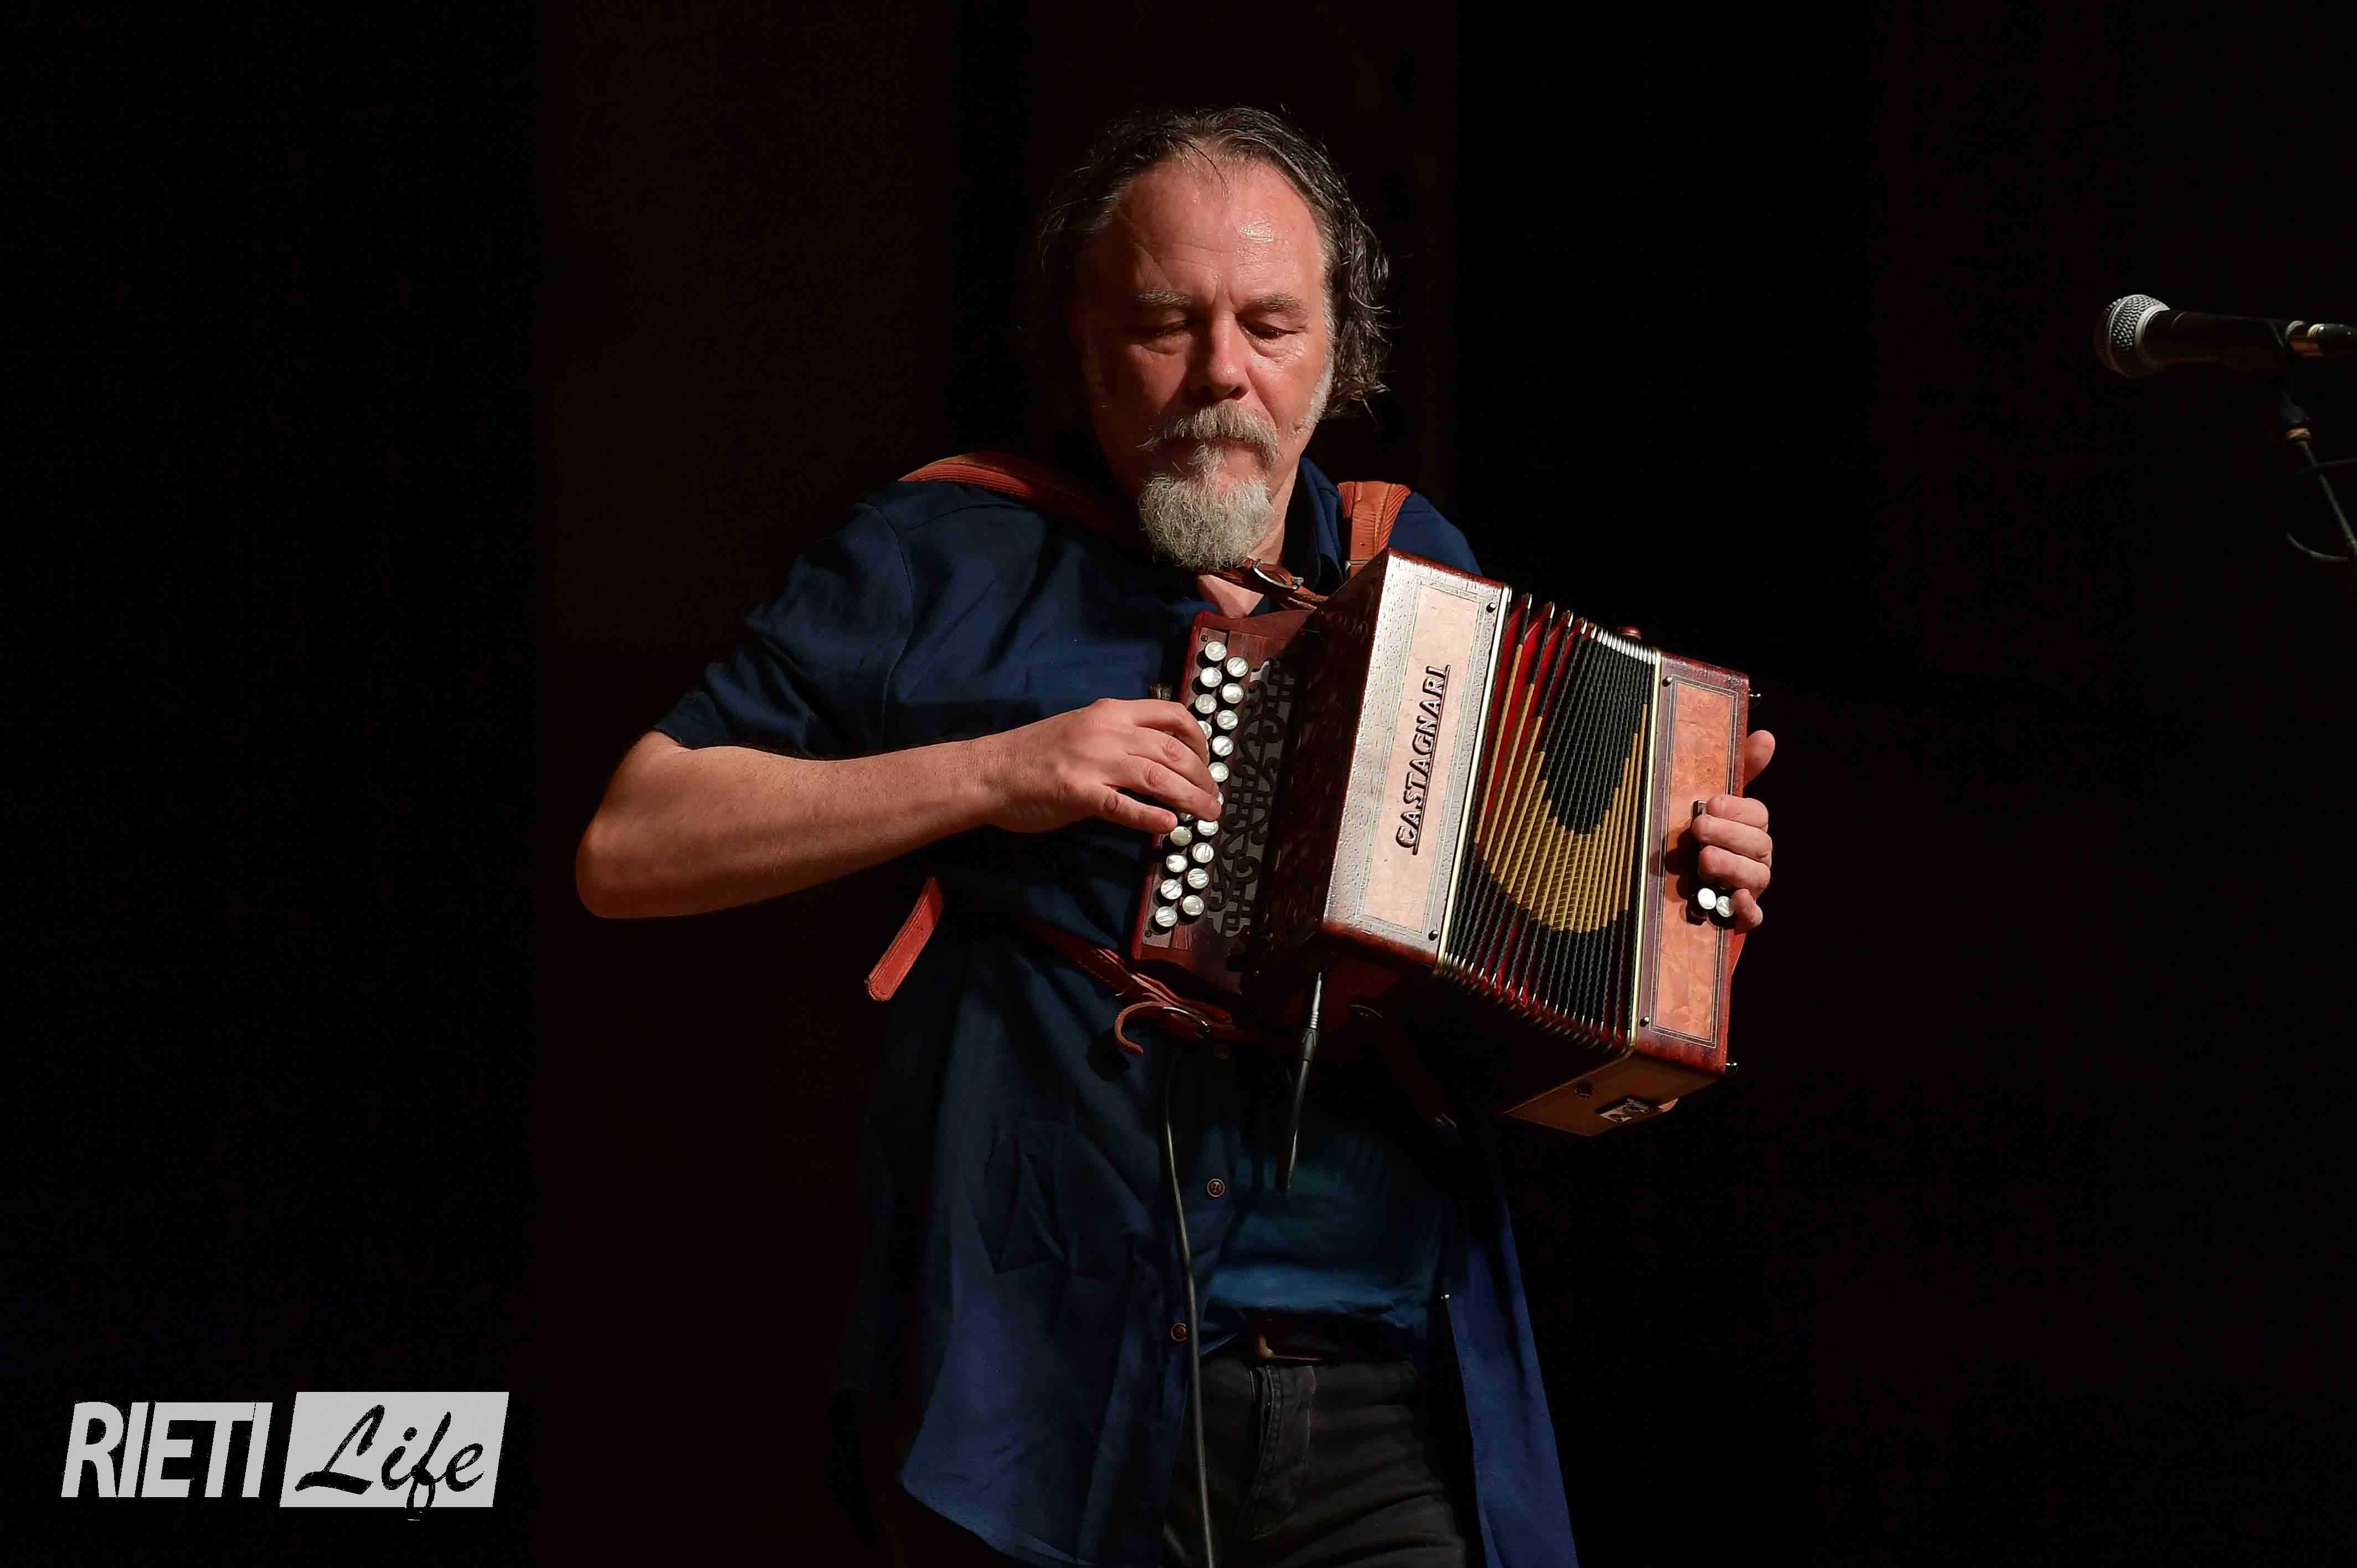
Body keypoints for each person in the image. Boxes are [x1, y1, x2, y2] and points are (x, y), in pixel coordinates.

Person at [576, 106, 1776, 1568]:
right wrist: (994, 772)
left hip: (1392, 1390)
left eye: (1271, 325)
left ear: (1338, 350)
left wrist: (1670, 896)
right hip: (1054, 1404)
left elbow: (1509, 1017)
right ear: (1085, 344)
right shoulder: (939, 553)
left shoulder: (1418, 568)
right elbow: (632, 844)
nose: (1222, 372)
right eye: (1165, 324)